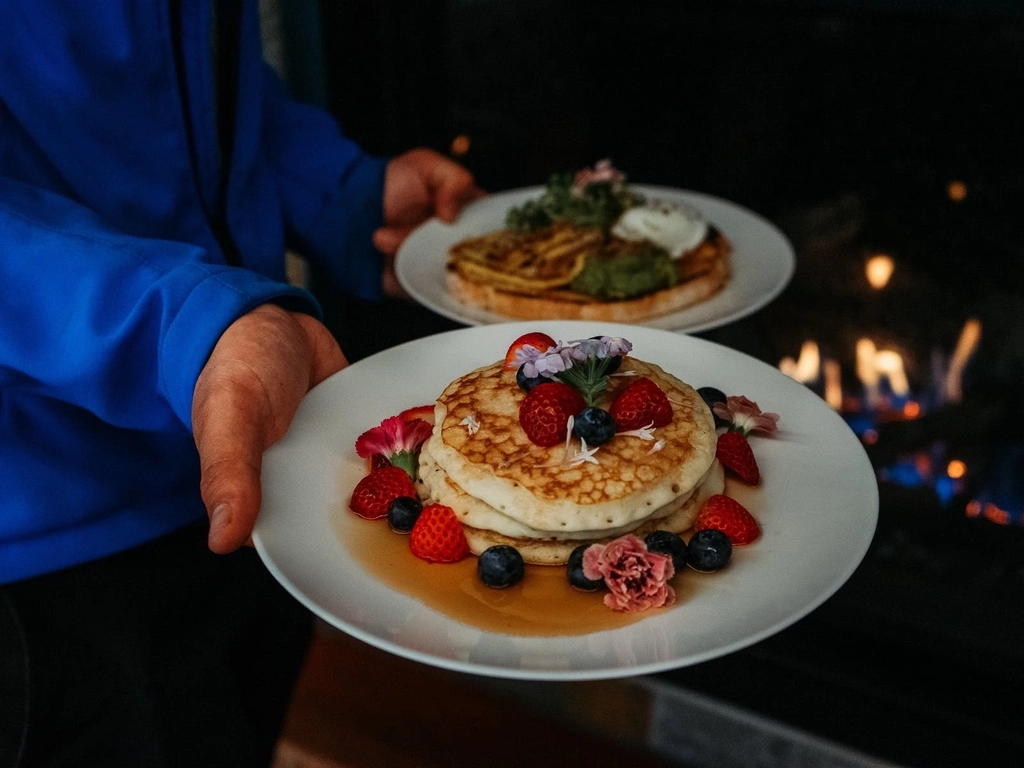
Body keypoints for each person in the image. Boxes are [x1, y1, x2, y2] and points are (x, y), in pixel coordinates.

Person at [0, 2, 482, 765]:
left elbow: (186, 66)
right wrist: (186, 324)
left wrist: (340, 193)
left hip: (257, 447)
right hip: (50, 550)